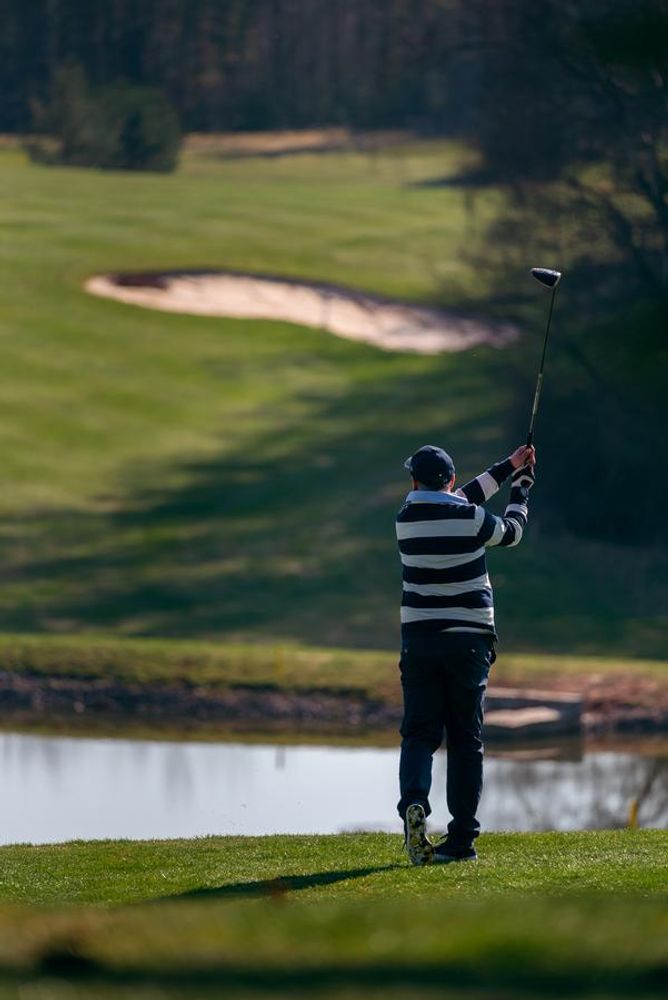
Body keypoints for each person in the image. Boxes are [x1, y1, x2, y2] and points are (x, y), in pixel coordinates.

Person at [396, 442, 536, 865]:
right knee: (464, 740)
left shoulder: (406, 516)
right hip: (469, 642)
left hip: (420, 641)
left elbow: (458, 498)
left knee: (419, 733)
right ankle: (461, 841)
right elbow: (511, 532)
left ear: (415, 483)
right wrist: (521, 488)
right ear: (451, 480)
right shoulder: (471, 518)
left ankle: (415, 801)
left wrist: (508, 466)